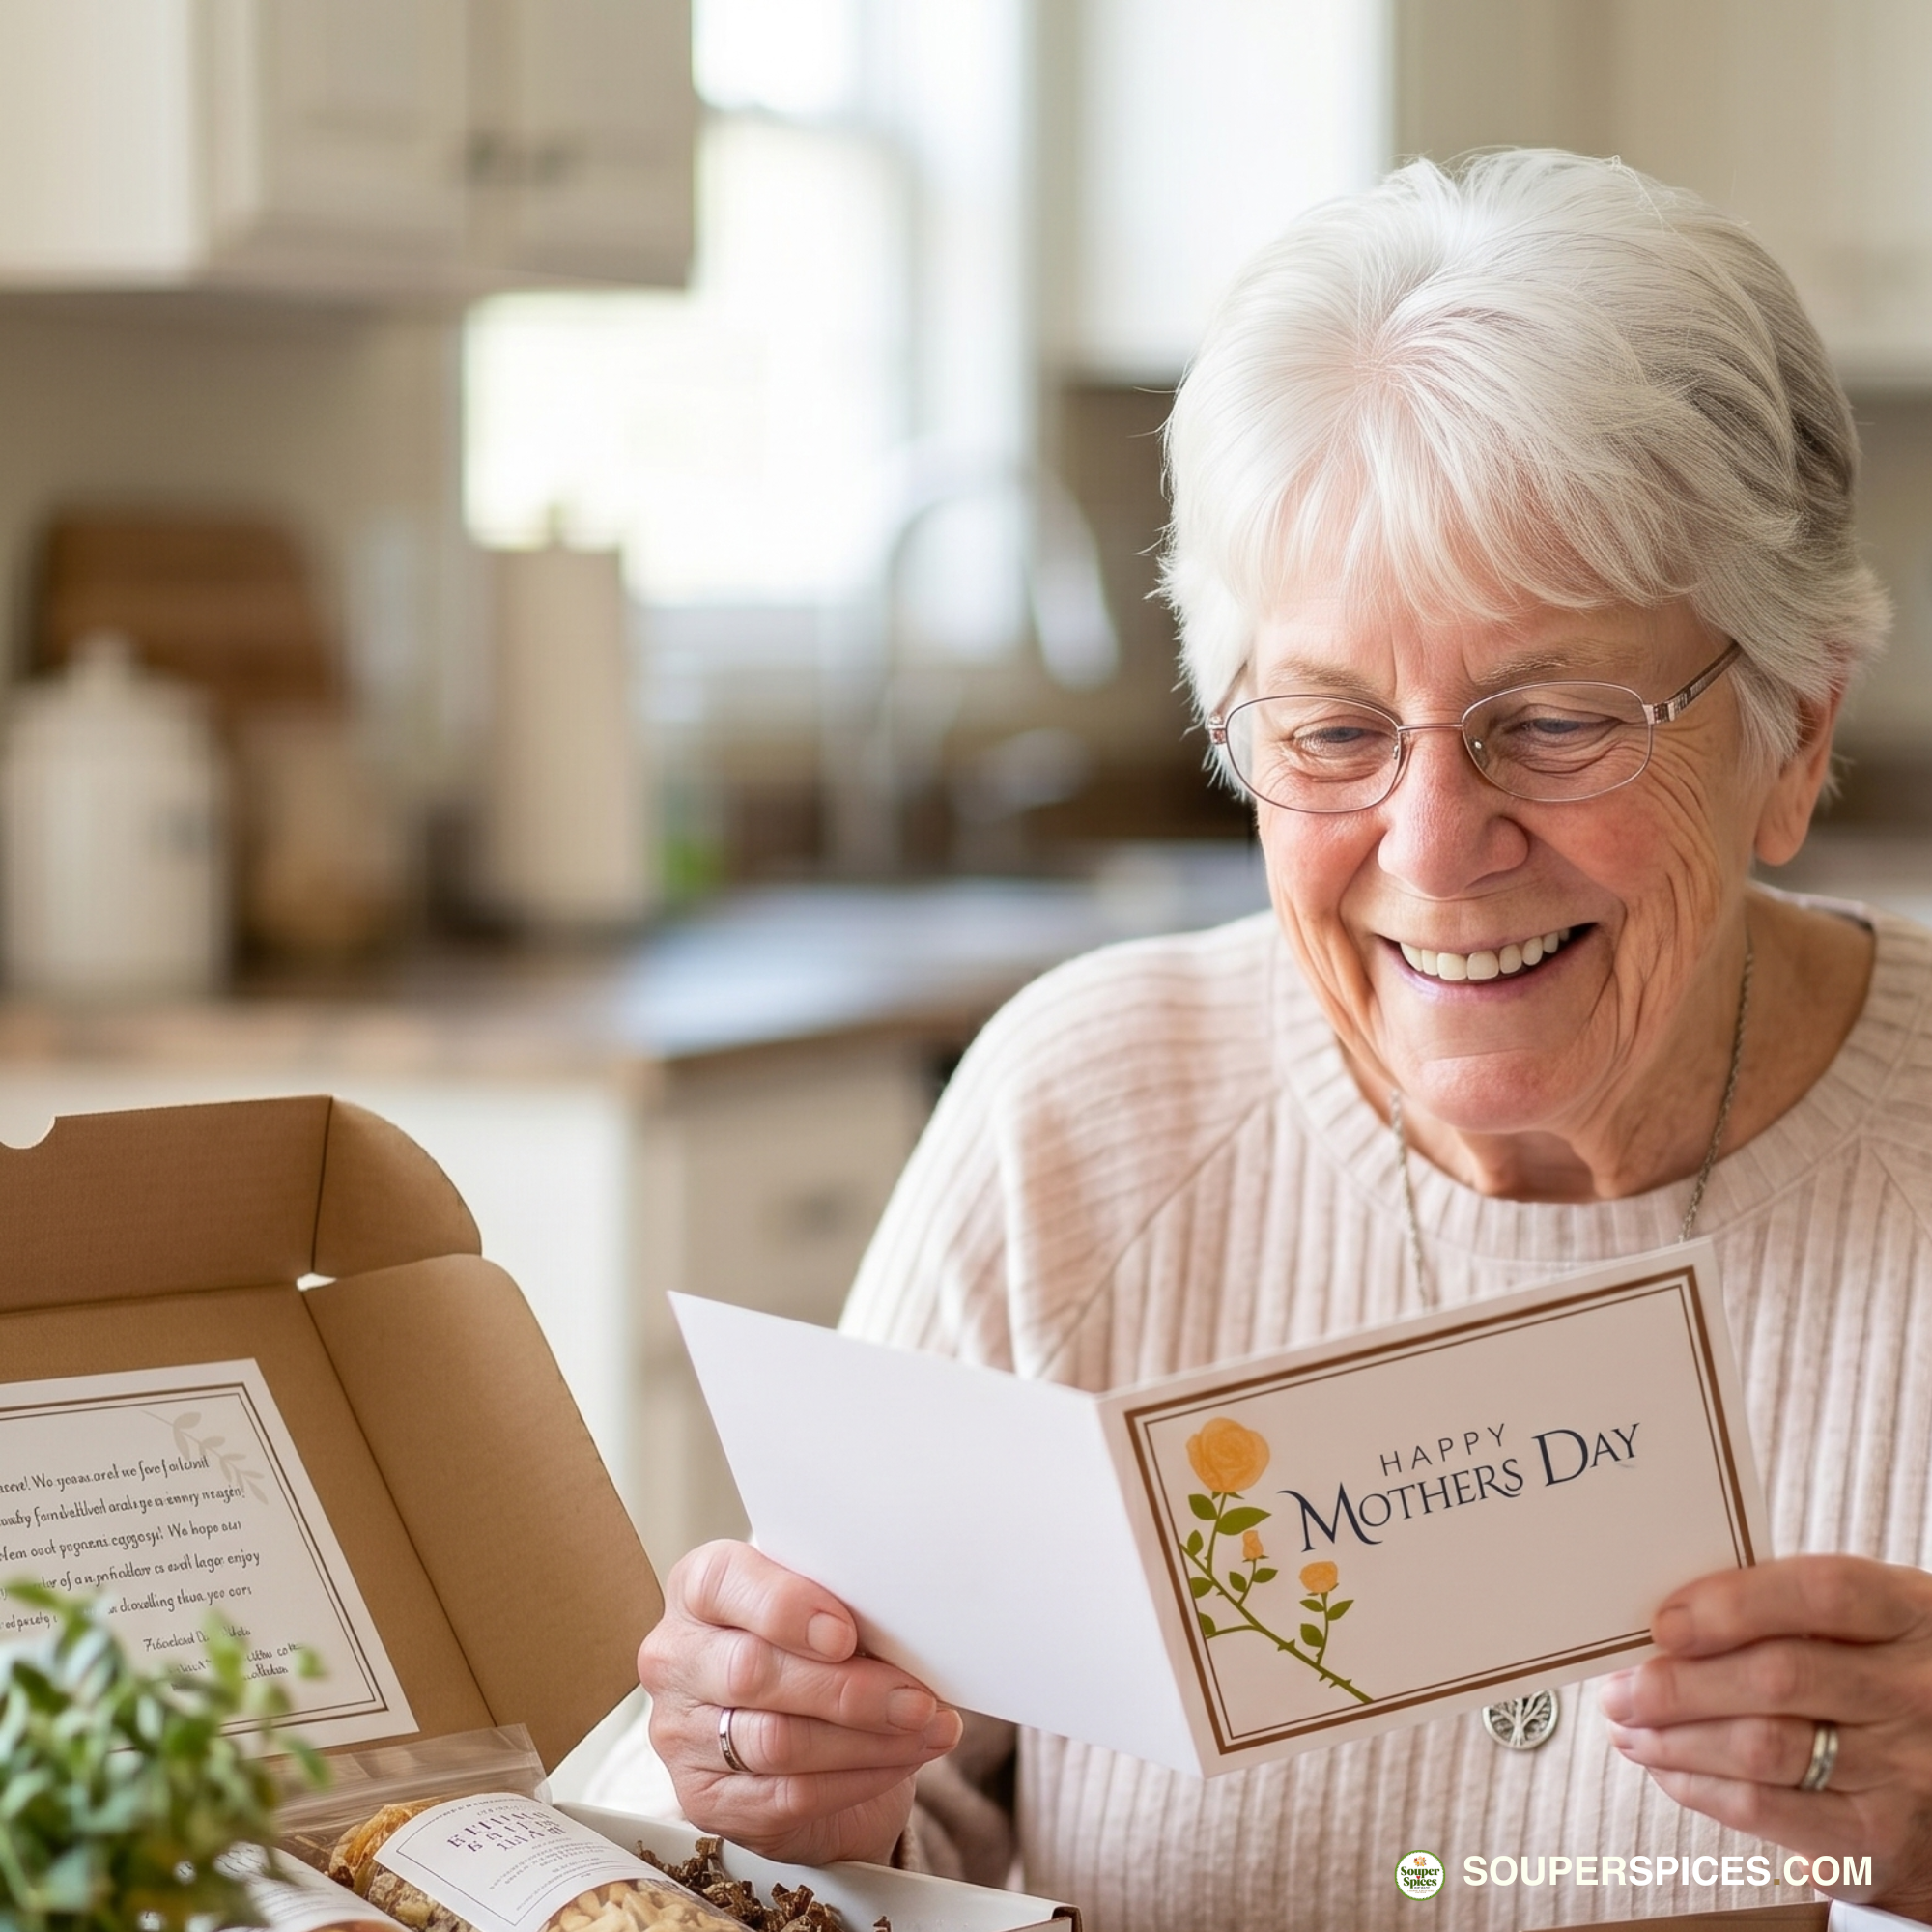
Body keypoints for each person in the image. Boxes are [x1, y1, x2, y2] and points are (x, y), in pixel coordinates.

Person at [638, 150, 1932, 1929]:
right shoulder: (1083, 1118)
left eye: (1551, 723)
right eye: (1328, 732)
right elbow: (871, 1850)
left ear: (1796, 737)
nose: (1431, 845)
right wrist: (789, 1797)